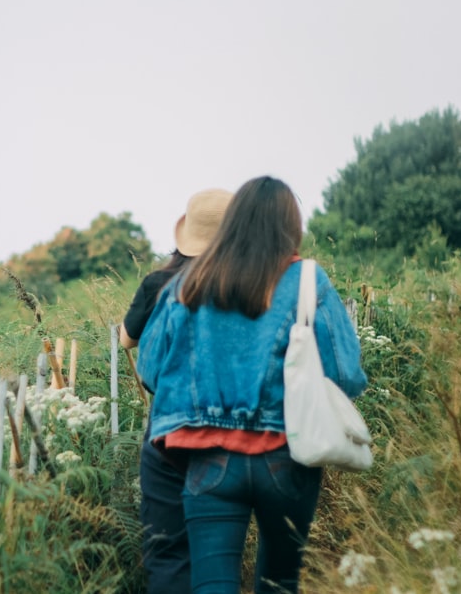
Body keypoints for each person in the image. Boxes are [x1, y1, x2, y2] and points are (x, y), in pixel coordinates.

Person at [138, 176, 367, 594]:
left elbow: (151, 368)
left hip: (208, 462)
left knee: (211, 585)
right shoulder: (308, 281)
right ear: (291, 228)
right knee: (279, 583)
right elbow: (347, 374)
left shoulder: (187, 283)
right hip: (288, 457)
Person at [120, 188, 234, 593]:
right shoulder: (243, 284)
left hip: (168, 428)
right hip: (230, 430)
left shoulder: (159, 283)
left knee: (167, 550)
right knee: (218, 554)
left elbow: (126, 341)